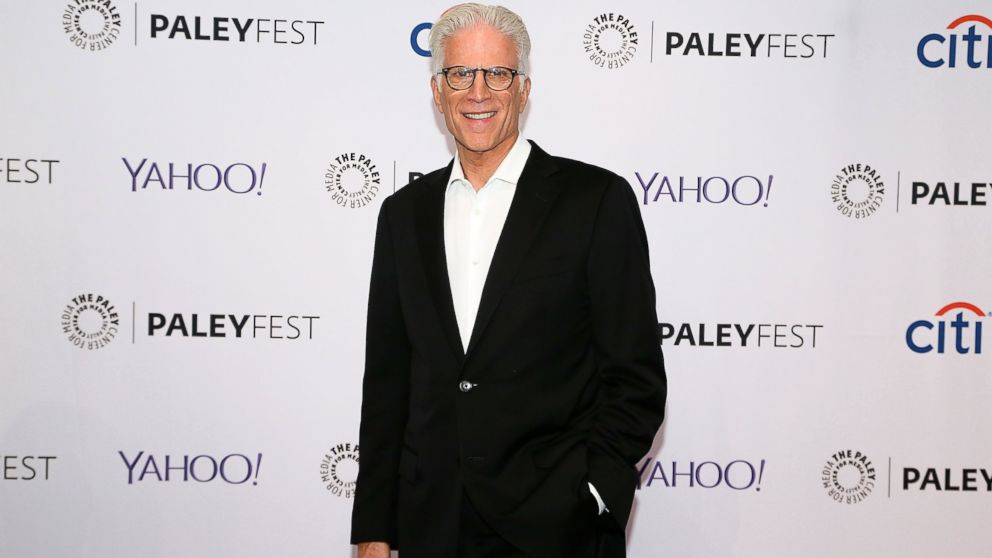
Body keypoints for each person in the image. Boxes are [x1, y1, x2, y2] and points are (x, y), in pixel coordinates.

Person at [350, 4, 666, 557]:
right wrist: (374, 527)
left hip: (555, 529)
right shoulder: (403, 215)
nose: (478, 93)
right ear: (436, 90)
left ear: (523, 89)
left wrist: (591, 492)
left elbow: (636, 378)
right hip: (432, 525)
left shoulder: (595, 202)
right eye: (460, 74)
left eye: (497, 74)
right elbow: (387, 384)